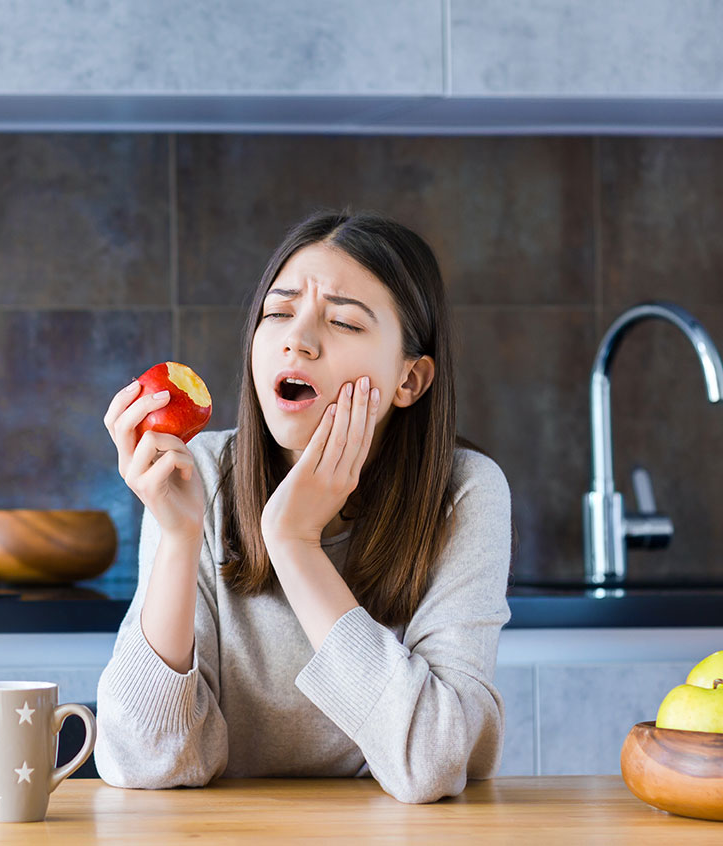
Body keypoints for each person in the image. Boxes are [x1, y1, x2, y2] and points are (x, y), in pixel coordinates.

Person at [95, 208, 514, 804]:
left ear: (410, 380)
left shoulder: (466, 493)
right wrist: (179, 535)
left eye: (343, 321)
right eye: (279, 312)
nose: (298, 338)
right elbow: (145, 760)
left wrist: (295, 545)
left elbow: (429, 763)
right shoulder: (200, 474)